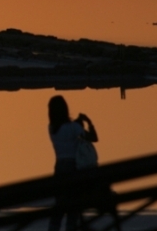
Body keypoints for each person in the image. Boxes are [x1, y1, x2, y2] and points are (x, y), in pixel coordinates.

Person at [48, 95, 99, 231]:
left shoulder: (52, 128)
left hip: (59, 168)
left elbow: (66, 131)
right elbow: (94, 137)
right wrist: (88, 121)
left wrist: (77, 122)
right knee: (73, 207)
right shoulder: (74, 127)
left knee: (60, 205)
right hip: (73, 168)